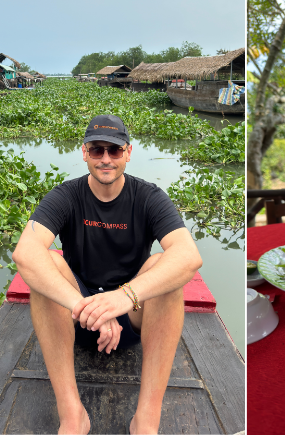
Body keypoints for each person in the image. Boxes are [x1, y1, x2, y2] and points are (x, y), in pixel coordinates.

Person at [12, 115, 203, 435]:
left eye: (114, 151)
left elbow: (188, 256)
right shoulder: (65, 196)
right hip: (76, 318)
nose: (105, 159)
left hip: (132, 318)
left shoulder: (149, 197)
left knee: (165, 268)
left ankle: (146, 420)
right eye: (97, 150)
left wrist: (122, 298)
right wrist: (89, 308)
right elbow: (24, 253)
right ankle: (72, 415)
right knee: (46, 263)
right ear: (84, 152)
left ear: (128, 153)